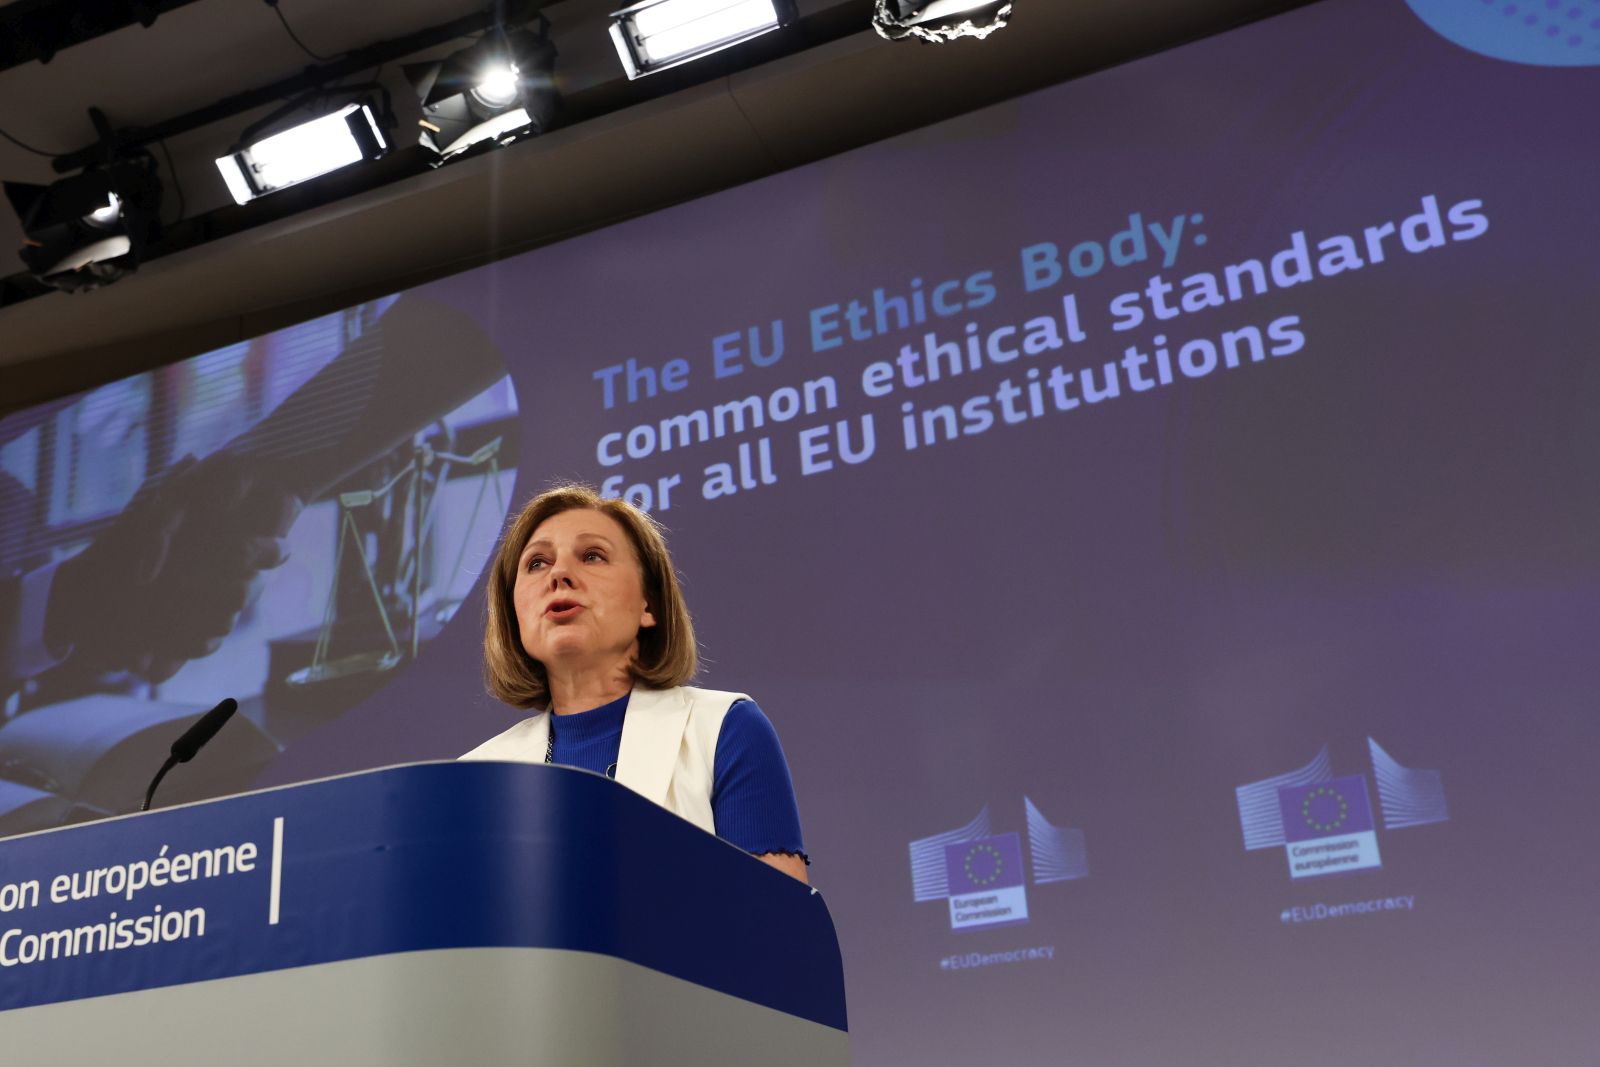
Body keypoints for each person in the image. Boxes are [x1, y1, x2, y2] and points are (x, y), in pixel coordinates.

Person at [462, 484, 808, 882]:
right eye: (537, 563)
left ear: (649, 605)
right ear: (514, 611)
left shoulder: (723, 730)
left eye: (593, 556)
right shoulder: (471, 778)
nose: (558, 574)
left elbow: (781, 931)